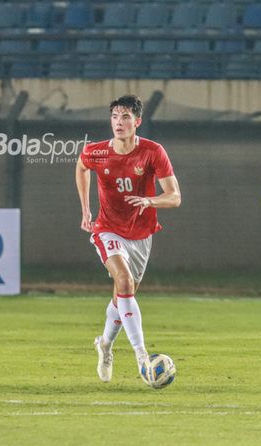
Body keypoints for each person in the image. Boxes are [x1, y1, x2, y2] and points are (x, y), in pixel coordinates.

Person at [75, 94, 182, 383]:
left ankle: (105, 345)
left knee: (123, 296)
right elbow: (82, 166)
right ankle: (142, 357)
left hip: (141, 234)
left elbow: (174, 197)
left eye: (125, 117)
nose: (118, 122)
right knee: (123, 281)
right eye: (114, 117)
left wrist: (150, 201)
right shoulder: (96, 152)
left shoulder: (152, 152)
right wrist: (86, 210)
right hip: (107, 228)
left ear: (137, 121)